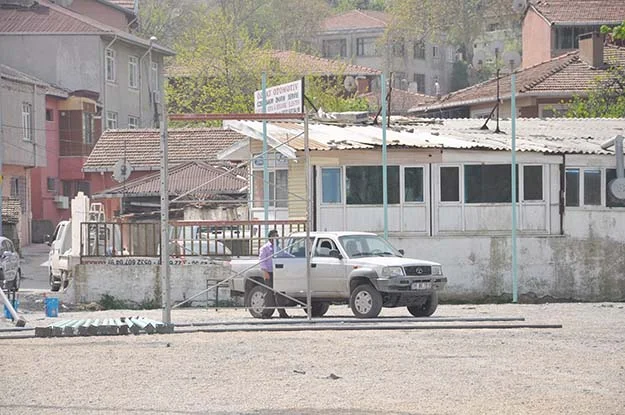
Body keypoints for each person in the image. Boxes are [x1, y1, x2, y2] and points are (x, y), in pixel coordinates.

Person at [258, 229, 290, 318]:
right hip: (269, 272)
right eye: (275, 236)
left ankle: (282, 313)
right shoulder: (265, 248)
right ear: (270, 237)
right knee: (269, 293)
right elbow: (262, 261)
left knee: (280, 292)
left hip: (278, 272)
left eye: (277, 236)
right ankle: (266, 313)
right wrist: (265, 272)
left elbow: (284, 255)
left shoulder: (277, 248)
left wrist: (295, 257)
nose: (277, 238)